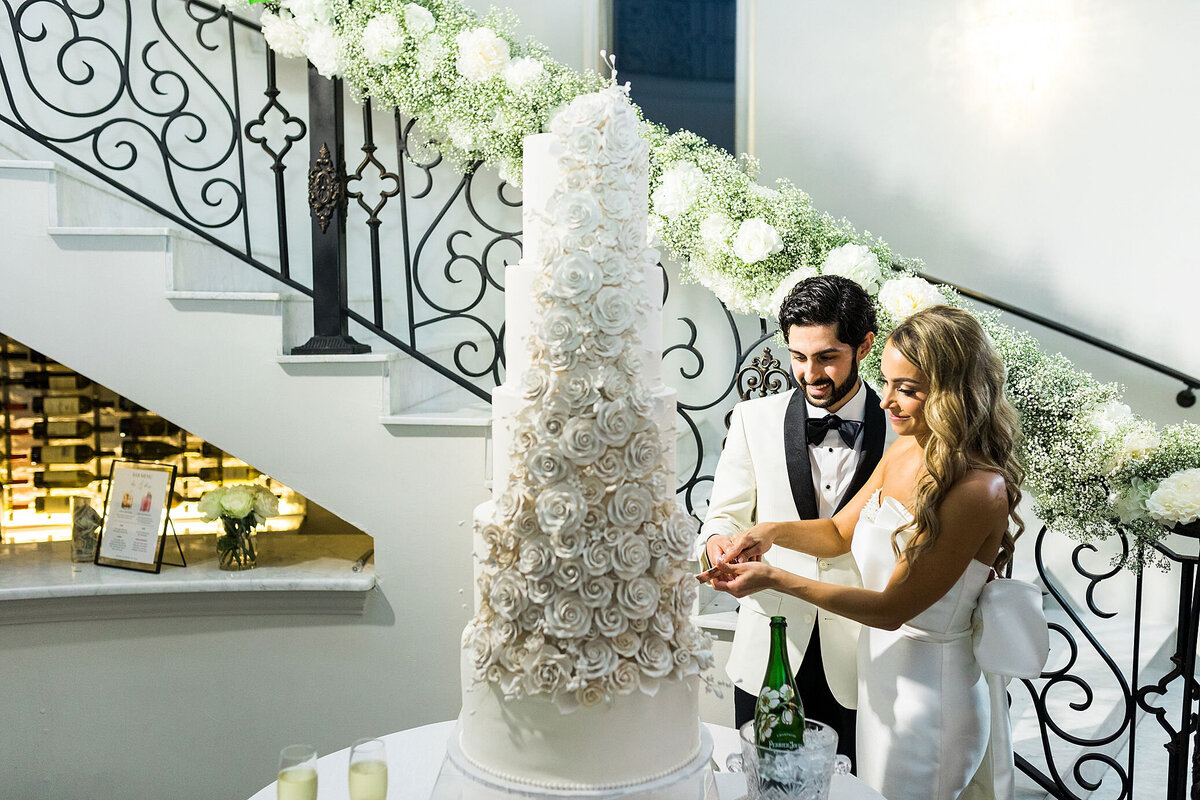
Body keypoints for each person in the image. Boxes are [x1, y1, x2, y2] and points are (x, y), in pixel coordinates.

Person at [701, 305, 1025, 800]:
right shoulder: (905, 450)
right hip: (879, 679)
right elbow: (836, 532)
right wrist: (767, 533)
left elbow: (893, 609)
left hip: (928, 695)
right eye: (888, 382)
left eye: (908, 390)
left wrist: (774, 579)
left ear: (952, 394)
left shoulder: (978, 488)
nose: (888, 401)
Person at [696, 274, 888, 765]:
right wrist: (719, 544)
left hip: (870, 657)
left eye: (827, 356)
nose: (810, 373)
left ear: (864, 346)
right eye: (798, 356)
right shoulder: (752, 419)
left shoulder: (904, 429)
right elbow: (723, 516)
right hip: (772, 649)